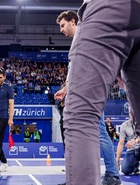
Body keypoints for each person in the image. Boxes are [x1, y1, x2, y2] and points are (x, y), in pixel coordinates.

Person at [57, 1, 140, 184]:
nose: (61, 30)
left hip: (110, 9)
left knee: (82, 117)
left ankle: (111, 173)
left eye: (63, 25)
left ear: (74, 21)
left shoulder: (88, 32)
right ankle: (111, 173)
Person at [116, 111, 140, 175]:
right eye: (131, 113)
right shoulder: (124, 125)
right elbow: (121, 143)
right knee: (125, 170)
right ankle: (135, 165)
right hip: (133, 150)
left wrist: (136, 140)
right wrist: (117, 159)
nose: (132, 115)